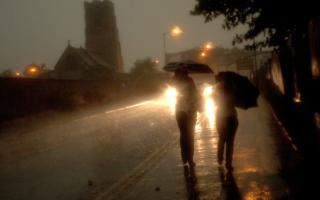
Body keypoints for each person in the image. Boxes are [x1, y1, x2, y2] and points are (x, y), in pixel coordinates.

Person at [173, 66, 199, 169]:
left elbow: (193, 95)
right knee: (189, 135)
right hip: (188, 111)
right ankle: (189, 158)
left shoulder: (176, 81)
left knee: (184, 134)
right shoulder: (188, 81)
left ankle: (186, 158)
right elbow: (195, 95)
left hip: (182, 111)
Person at [214, 79, 238, 171]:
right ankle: (228, 163)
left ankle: (220, 158)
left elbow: (215, 102)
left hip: (220, 117)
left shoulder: (217, 91)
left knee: (221, 138)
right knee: (230, 142)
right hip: (231, 117)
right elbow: (236, 102)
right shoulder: (233, 91)